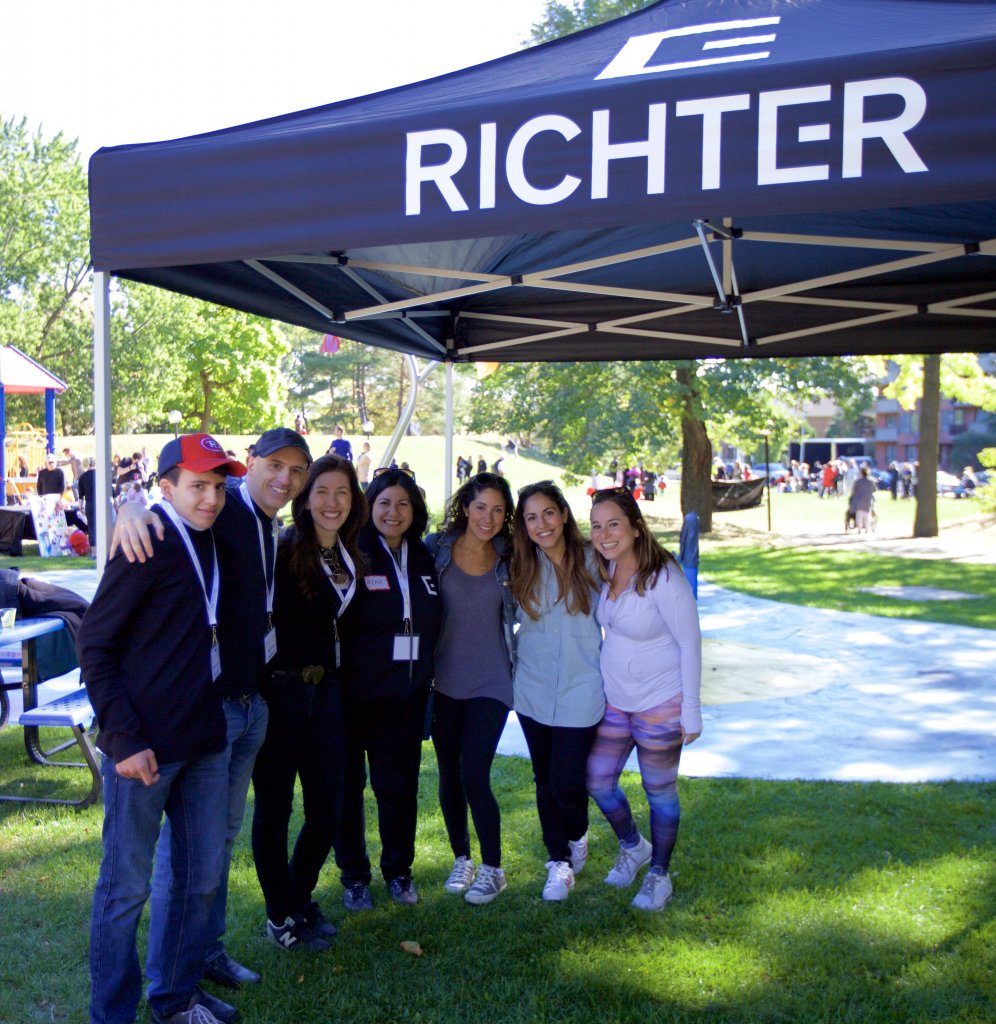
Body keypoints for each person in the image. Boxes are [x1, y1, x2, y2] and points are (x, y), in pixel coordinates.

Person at [113, 428, 313, 995]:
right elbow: (160, 509)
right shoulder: (219, 509)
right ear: (248, 465)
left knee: (217, 842)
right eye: (274, 465)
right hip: (210, 709)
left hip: (252, 704)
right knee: (191, 854)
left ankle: (206, 950)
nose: (285, 479)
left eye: (297, 471)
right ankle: (178, 968)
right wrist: (128, 507)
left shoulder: (269, 525)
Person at [78, 434, 247, 1024]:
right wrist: (123, 740)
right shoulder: (144, 540)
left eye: (218, 487)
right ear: (167, 487)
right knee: (125, 890)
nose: (210, 498)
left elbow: (269, 500)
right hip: (144, 749)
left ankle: (174, 1000)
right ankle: (112, 1014)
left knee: (199, 881)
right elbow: (94, 643)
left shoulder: (216, 535)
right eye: (197, 486)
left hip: (204, 741)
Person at [251, 455, 366, 951]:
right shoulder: (283, 550)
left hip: (330, 696)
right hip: (282, 693)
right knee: (275, 812)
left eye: (342, 492)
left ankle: (296, 898)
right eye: (321, 491)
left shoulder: (351, 553)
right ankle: (280, 917)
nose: (331, 502)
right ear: (305, 497)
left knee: (328, 809)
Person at [587, 487, 702, 912]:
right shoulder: (604, 567)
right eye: (597, 526)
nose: (604, 533)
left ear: (636, 527)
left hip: (661, 702)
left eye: (613, 523)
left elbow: (690, 643)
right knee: (597, 779)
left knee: (660, 791)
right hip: (616, 700)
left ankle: (659, 874)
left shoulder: (663, 576)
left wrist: (691, 710)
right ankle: (633, 846)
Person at [335, 468, 443, 910]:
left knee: (398, 790)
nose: (393, 512)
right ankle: (354, 877)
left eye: (402, 503)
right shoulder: (351, 552)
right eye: (384, 503)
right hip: (350, 698)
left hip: (403, 699)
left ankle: (399, 872)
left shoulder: (424, 554)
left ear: (414, 509)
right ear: (369, 506)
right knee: (347, 790)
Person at [511, 481, 603, 902]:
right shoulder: (519, 565)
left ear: (564, 514)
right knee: (543, 780)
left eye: (548, 512)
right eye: (531, 517)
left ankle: (578, 834)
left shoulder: (594, 561)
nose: (541, 523)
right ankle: (558, 863)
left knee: (567, 783)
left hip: (580, 691)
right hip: (531, 690)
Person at [426, 473, 515, 905]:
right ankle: (462, 857)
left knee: (474, 772)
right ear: (466, 507)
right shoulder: (435, 549)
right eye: (481, 507)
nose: (489, 517)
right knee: (449, 773)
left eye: (498, 510)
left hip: (493, 680)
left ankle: (493, 868)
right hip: (443, 680)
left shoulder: (510, 555)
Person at [849, 465, 877, 533]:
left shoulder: (858, 481)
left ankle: (859, 529)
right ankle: (867, 528)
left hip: (858, 500)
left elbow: (853, 490)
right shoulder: (871, 482)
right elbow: (874, 490)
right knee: (867, 514)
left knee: (859, 515)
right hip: (867, 500)